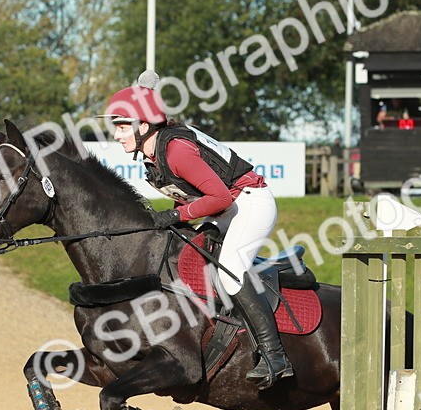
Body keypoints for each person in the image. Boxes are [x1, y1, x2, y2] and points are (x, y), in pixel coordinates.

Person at [102, 71, 293, 389]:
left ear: (144, 126)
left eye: (122, 126)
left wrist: (177, 215)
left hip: (250, 203)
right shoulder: (154, 152)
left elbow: (218, 198)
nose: (117, 134)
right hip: (228, 207)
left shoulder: (175, 150)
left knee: (231, 270)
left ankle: (276, 357)